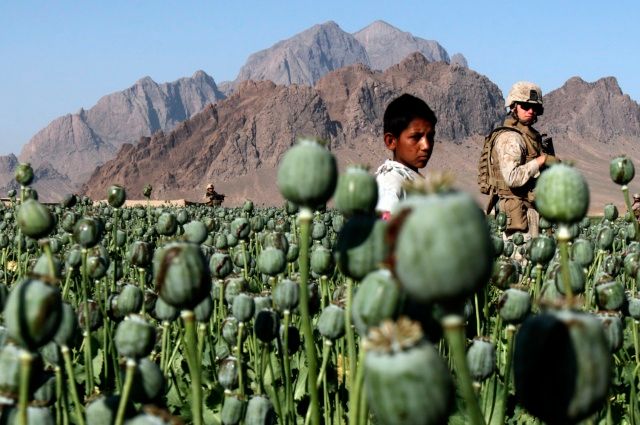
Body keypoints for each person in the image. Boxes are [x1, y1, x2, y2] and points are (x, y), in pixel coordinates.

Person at [486, 81, 559, 238]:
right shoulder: (511, 138)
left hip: (532, 212)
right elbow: (512, 178)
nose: (531, 111)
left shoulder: (531, 138)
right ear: (513, 107)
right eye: (525, 106)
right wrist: (541, 160)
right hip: (519, 219)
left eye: (535, 107)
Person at [375, 93, 437, 219]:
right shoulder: (390, 184)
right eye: (416, 137)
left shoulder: (410, 180)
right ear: (391, 141)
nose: (426, 146)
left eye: (430, 137)